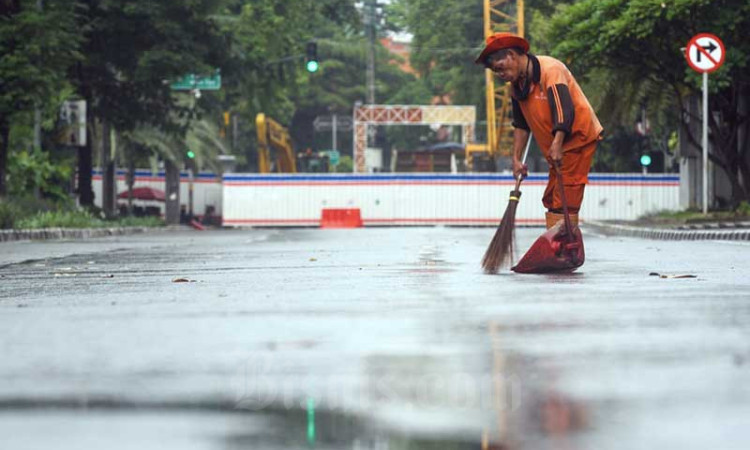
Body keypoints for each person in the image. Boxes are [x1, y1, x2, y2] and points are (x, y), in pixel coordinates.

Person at [475, 32, 603, 228]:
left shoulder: (550, 69)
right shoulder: (516, 86)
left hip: (576, 138)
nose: (500, 75)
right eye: (495, 72)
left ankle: (564, 246)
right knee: (552, 198)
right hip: (555, 147)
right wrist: (516, 159)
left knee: (565, 197)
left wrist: (558, 142)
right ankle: (557, 241)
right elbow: (520, 124)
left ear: (511, 54)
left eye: (500, 68)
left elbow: (564, 111)